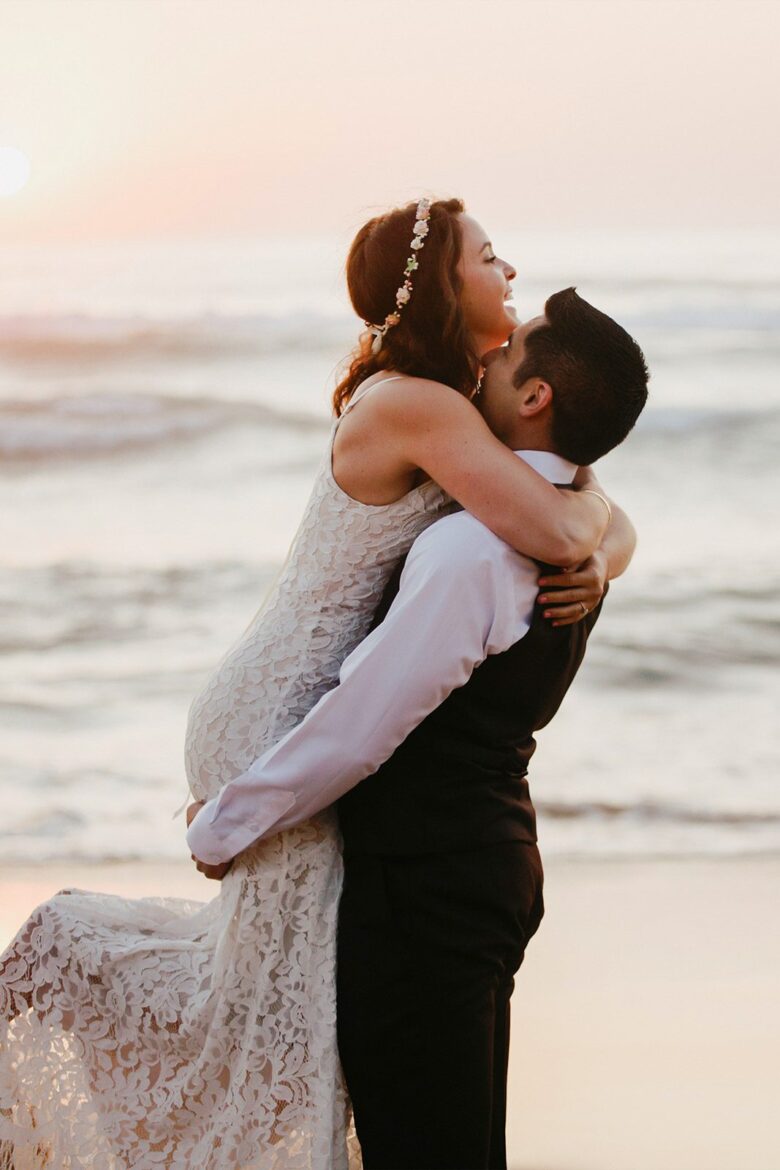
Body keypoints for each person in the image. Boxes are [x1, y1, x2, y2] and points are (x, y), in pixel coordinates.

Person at [0, 199, 631, 1170]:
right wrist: (596, 548)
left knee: (289, 1018)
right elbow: (558, 519)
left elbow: (575, 490)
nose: (508, 273)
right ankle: (74, 993)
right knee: (264, 1022)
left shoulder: (460, 407)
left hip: (317, 723)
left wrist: (606, 542)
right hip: (284, 712)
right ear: (442, 285)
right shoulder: (424, 405)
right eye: (489, 257)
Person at [187, 289, 649, 1170]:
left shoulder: (471, 551)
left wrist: (225, 825)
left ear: (536, 397)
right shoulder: (571, 529)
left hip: (428, 885)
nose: (491, 355)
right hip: (482, 862)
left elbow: (362, 724)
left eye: (511, 352)